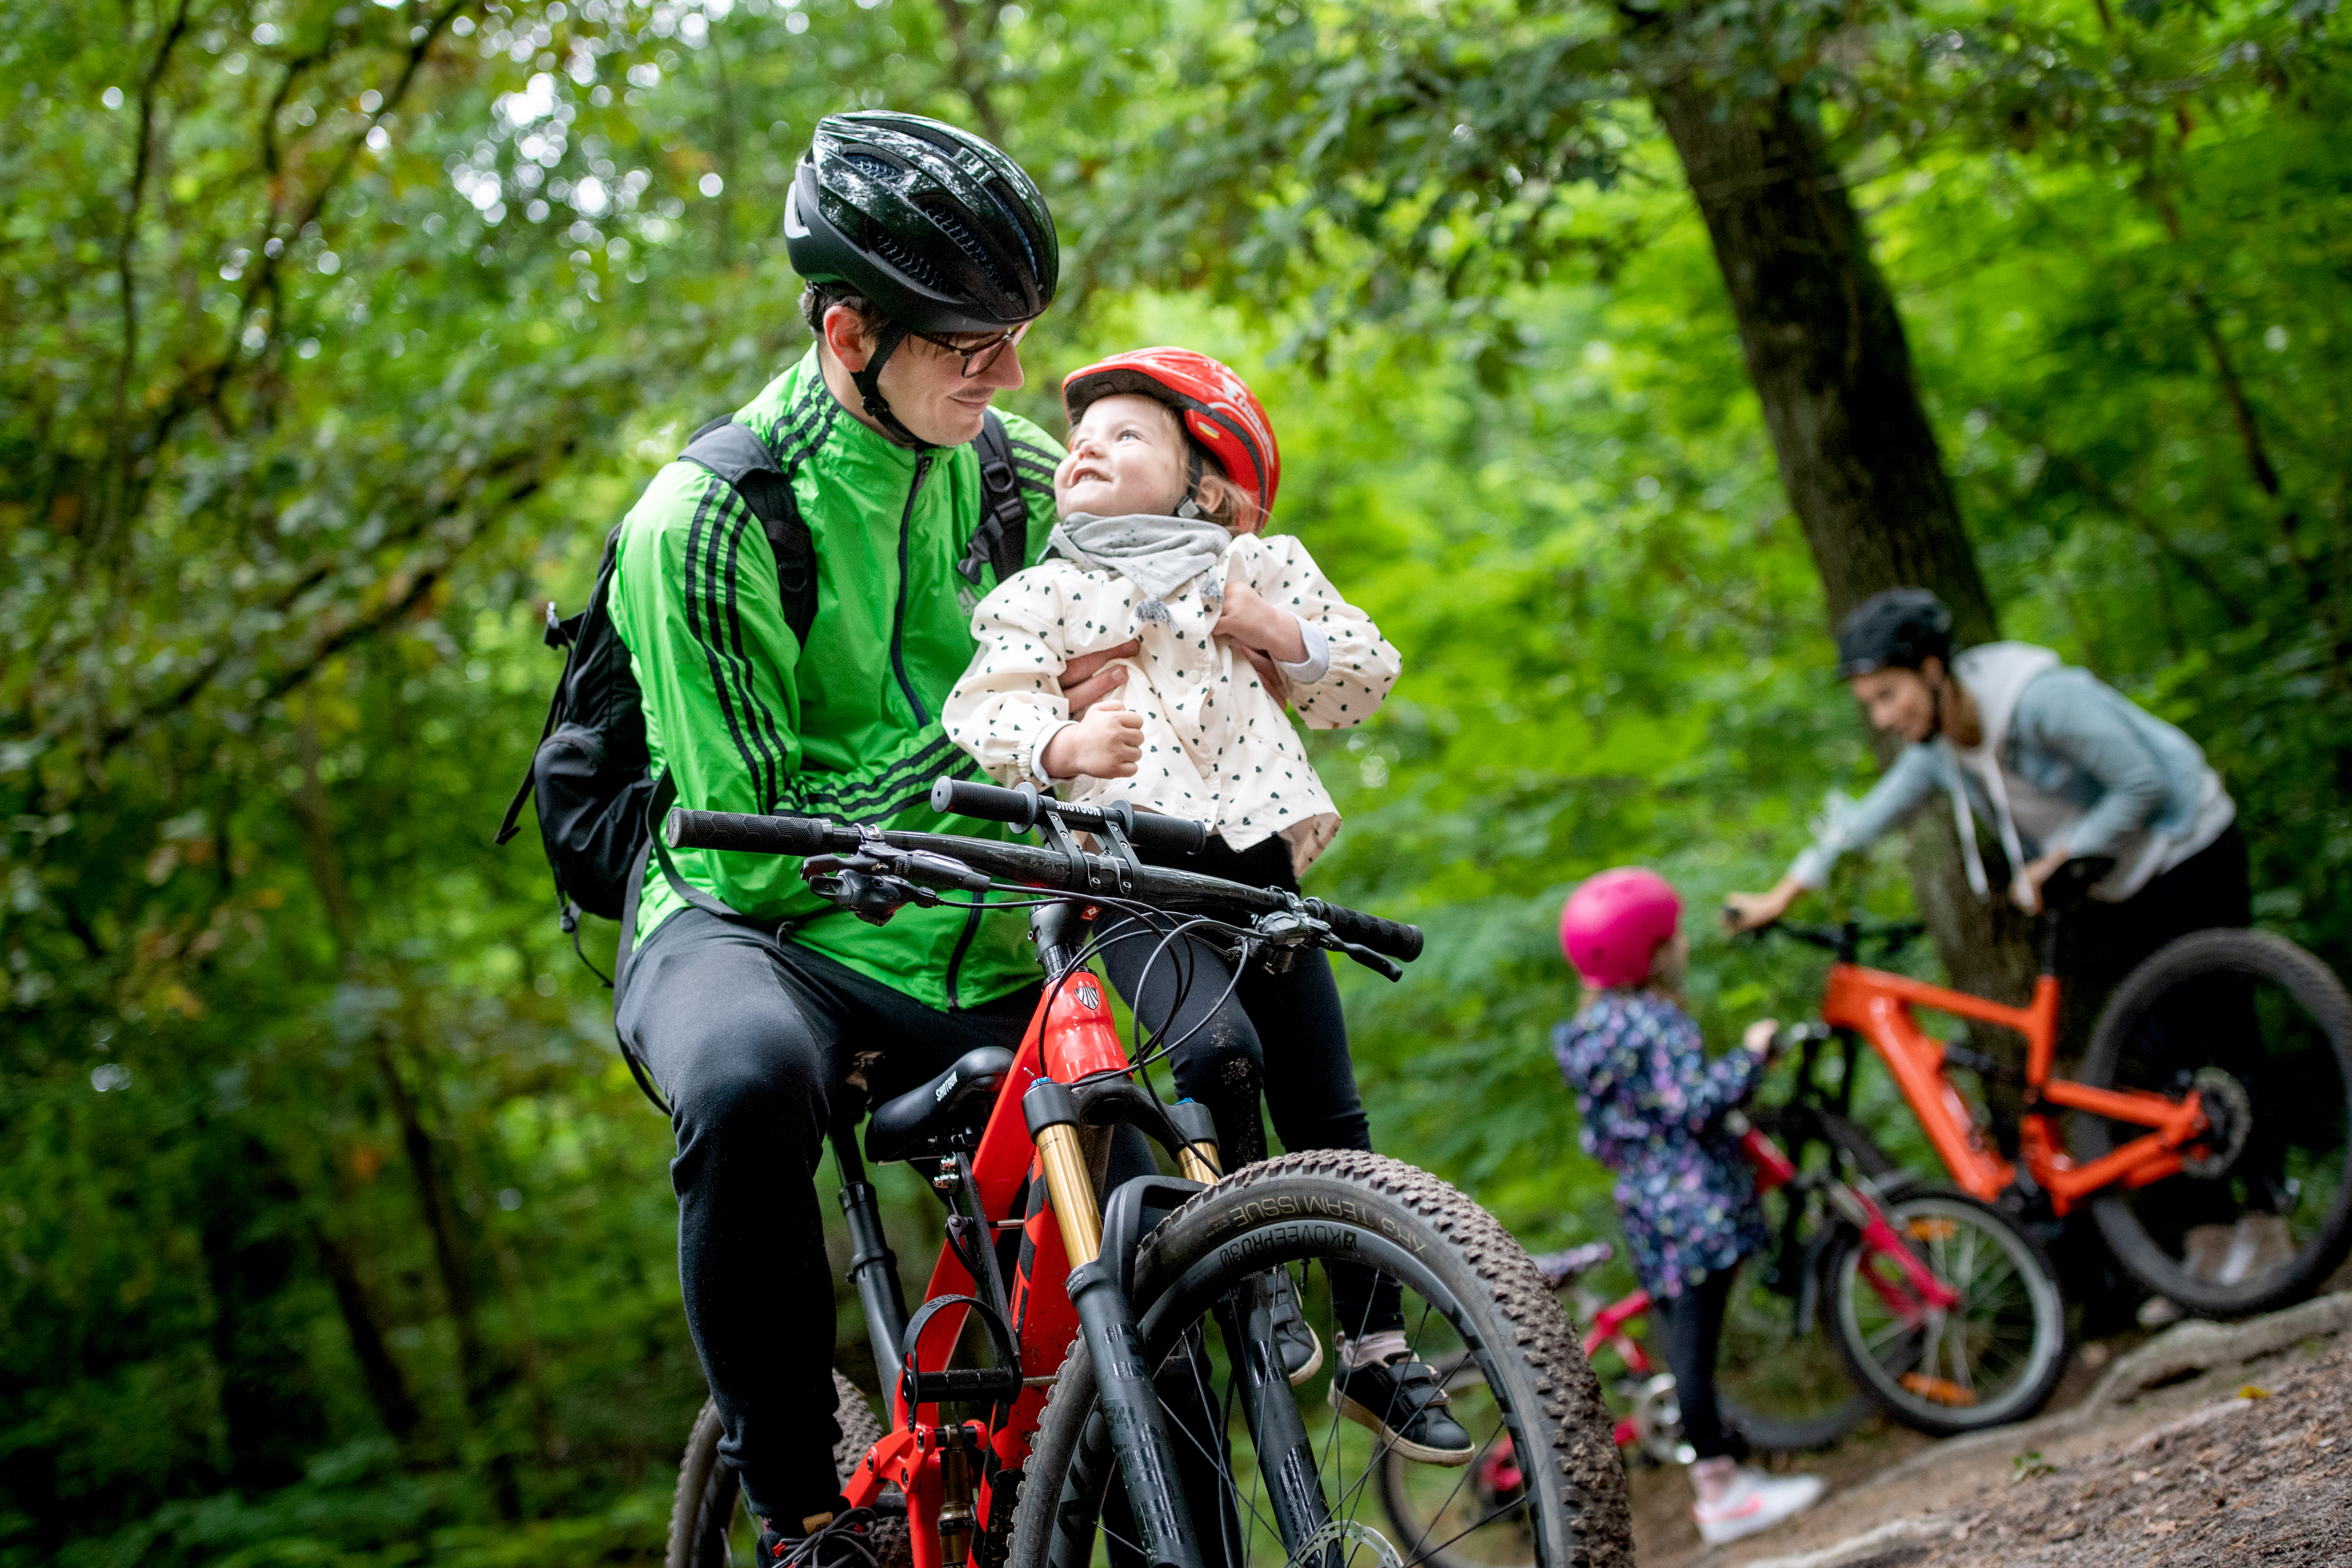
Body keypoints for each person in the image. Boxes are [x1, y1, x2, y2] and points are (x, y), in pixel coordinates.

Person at [605, 111, 1130, 1564]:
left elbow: (1129, 649)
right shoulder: (703, 521)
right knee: (744, 1082)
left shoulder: (1014, 474)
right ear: (849, 331)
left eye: (1017, 334)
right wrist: (989, 731)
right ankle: (796, 1516)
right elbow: (754, 838)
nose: (1011, 372)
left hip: (963, 899)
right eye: (972, 343)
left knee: (1159, 1061)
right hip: (745, 918)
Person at [940, 350, 1470, 1462]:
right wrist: (1064, 743)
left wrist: (1270, 630)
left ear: (1202, 482)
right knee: (1219, 1056)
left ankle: (1376, 1353)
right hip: (1127, 887)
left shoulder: (1256, 563)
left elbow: (1364, 675)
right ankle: (1255, 1274)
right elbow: (982, 708)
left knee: (1330, 1109)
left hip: (1258, 878)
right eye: (1082, 437)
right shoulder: (1044, 591)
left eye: (1128, 435)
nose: (1087, 445)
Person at [1721, 587, 2276, 1325]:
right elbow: (1870, 815)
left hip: (2186, 844)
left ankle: (2271, 1226)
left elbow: (2141, 781)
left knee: (2220, 1035)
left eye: (1888, 695)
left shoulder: (2038, 699)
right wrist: (1782, 893)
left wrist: (2064, 855)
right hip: (2118, 881)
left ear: (1930, 668)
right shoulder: (1943, 748)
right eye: (1870, 704)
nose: (1883, 717)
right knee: (2160, 1056)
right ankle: (2210, 1249)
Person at [1550, 868, 1826, 1546]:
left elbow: (1601, 1134)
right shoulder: (1656, 1021)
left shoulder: (1589, 1033)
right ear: (1649, 950)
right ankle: (1721, 1489)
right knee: (1694, 1350)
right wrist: (1754, 1057)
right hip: (1695, 1200)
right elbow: (1694, 1103)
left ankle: (1720, 1474)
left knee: (1683, 1342)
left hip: (1645, 1205)